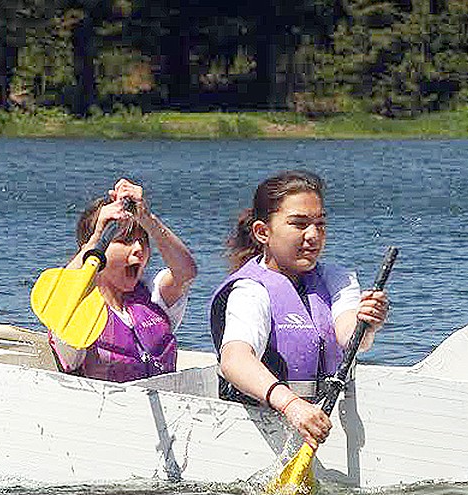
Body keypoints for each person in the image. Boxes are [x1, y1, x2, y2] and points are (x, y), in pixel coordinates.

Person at [209, 170, 389, 447]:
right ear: (262, 232)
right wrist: (291, 405)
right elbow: (234, 360)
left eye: (320, 224)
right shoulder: (251, 290)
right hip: (263, 421)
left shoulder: (339, 279)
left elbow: (351, 339)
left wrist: (368, 323)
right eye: (299, 224)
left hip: (321, 420)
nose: (313, 235)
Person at [49, 178, 197, 382]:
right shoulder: (74, 311)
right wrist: (98, 235)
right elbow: (61, 304)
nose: (139, 249)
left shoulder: (153, 295)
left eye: (143, 240)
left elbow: (186, 273)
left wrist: (146, 217)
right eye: (125, 240)